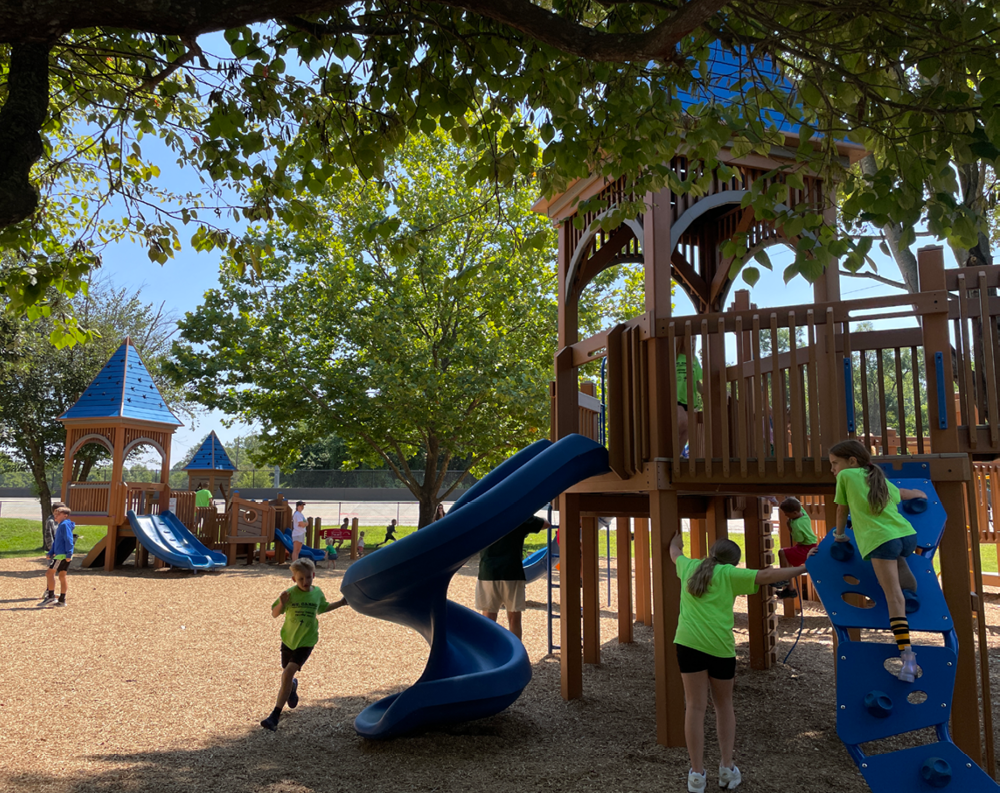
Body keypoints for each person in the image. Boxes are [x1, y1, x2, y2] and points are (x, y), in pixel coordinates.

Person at [670, 532, 808, 792]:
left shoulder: (689, 567)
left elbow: (674, 552)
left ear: (712, 552)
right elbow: (767, 576)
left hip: (688, 645)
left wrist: (677, 539)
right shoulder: (731, 575)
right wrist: (803, 567)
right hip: (720, 648)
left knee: (694, 707)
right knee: (724, 706)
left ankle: (696, 775)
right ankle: (726, 768)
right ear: (733, 562)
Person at [829, 439, 926, 683]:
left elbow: (841, 509)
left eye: (834, 464)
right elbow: (902, 494)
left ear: (851, 461)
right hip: (906, 536)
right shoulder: (877, 478)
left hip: (881, 540)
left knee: (892, 596)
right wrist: (920, 494)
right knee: (895, 565)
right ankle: (906, 580)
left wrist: (839, 535)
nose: (832, 470)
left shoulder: (847, 477)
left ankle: (907, 657)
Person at [261, 557, 348, 731]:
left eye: (308, 577)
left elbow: (322, 608)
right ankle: (292, 687)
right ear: (294, 579)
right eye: (301, 579)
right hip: (289, 640)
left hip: (307, 641)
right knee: (287, 674)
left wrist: (341, 602)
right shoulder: (289, 594)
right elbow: (274, 613)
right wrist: (282, 604)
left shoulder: (317, 593)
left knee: (286, 674)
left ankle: (274, 716)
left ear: (313, 575)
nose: (305, 581)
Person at [476, 515, 550, 640]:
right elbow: (546, 524)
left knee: (488, 618)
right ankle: (517, 653)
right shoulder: (518, 516)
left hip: (488, 571)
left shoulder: (484, 517)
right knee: (514, 618)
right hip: (512, 571)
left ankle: (488, 655)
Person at [773, 497, 818, 599]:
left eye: (786, 514)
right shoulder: (804, 515)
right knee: (786, 559)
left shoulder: (797, 524)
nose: (785, 515)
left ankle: (785, 579)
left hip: (806, 548)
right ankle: (789, 589)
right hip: (809, 545)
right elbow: (798, 506)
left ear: (794, 513)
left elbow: (800, 539)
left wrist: (789, 527)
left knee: (782, 552)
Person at [40, 506, 75, 608]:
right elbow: (57, 542)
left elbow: (69, 540)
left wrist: (69, 553)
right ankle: (61, 600)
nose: (55, 516)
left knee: (49, 573)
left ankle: (51, 596)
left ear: (65, 515)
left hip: (62, 555)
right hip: (60, 554)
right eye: (55, 514)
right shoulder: (61, 525)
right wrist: (51, 552)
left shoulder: (64, 525)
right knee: (62, 576)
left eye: (58, 514)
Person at [676, 335, 703, 458]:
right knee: (682, 422)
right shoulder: (674, 357)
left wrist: (705, 394)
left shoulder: (694, 360)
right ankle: (670, 452)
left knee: (687, 431)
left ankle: (676, 456)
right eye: (690, 339)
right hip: (676, 398)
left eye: (694, 340)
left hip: (690, 400)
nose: (692, 342)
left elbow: (697, 382)